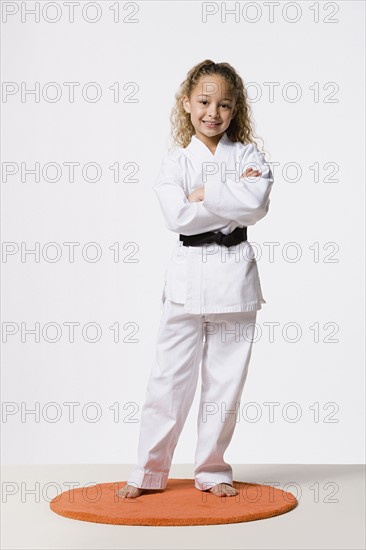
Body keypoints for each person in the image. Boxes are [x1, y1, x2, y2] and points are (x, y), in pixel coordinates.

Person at [117, 59, 274, 499]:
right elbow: (178, 216)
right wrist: (228, 197)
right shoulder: (175, 163)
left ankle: (212, 470)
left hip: (235, 280)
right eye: (204, 101)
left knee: (225, 384)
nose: (213, 112)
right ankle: (149, 471)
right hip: (186, 281)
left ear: (235, 108)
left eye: (224, 104)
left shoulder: (247, 156)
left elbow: (257, 203)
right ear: (186, 103)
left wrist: (206, 193)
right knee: (167, 380)